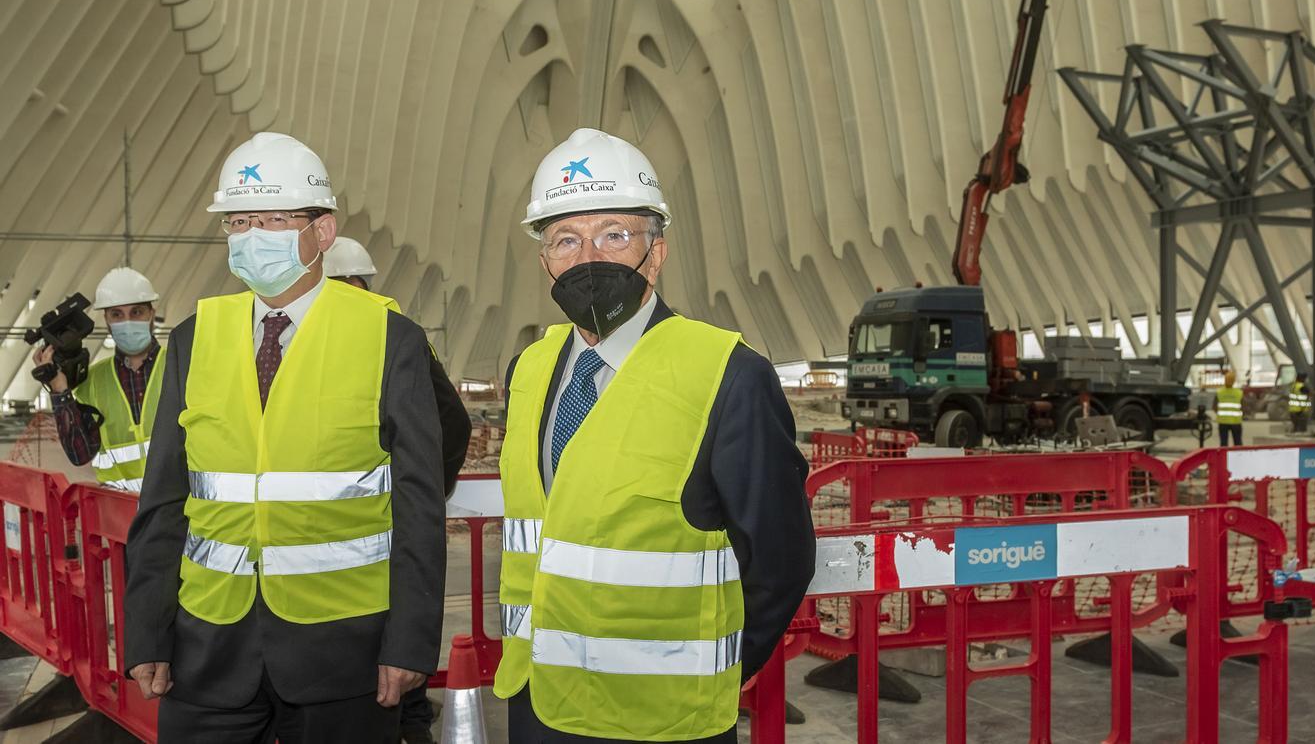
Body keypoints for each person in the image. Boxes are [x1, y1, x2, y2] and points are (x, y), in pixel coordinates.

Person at [123, 132, 447, 743]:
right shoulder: (195, 338)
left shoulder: (389, 338)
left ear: (322, 232)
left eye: (273, 219)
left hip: (345, 651)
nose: (251, 236)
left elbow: (419, 506)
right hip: (206, 648)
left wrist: (410, 643)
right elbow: (164, 499)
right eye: (238, 221)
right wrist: (147, 630)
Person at [494, 128, 815, 743]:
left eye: (614, 234)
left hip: (664, 717)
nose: (589, 256)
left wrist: (715, 670)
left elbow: (780, 553)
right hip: (537, 703)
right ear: (545, 261)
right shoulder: (530, 369)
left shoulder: (729, 374)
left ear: (656, 250)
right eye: (566, 238)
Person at [328, 234, 473, 743]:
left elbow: (452, 425)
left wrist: (421, 491)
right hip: (366, 532)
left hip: (370, 534)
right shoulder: (390, 331)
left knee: (387, 640)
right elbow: (452, 424)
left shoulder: (390, 336)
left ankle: (410, 726)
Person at [31, 267, 165, 491]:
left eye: (137, 312)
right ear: (106, 319)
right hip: (120, 515)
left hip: (178, 511)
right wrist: (59, 389)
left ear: (151, 313)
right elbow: (79, 454)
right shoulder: (91, 382)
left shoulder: (180, 365)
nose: (127, 322)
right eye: (117, 314)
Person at [1215, 369, 1244, 447]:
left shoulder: (1219, 392)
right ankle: (1239, 457)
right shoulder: (1239, 393)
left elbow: (1214, 407)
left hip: (1223, 422)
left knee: (1223, 443)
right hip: (1236, 422)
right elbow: (1243, 407)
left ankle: (1223, 459)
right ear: (1234, 381)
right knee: (1238, 443)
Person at [1287, 370, 1310, 434]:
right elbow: (1310, 393)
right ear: (1302, 379)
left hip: (1292, 411)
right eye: (1305, 378)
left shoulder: (1293, 386)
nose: (1306, 380)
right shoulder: (1302, 387)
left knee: (1296, 429)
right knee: (1302, 431)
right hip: (1301, 412)